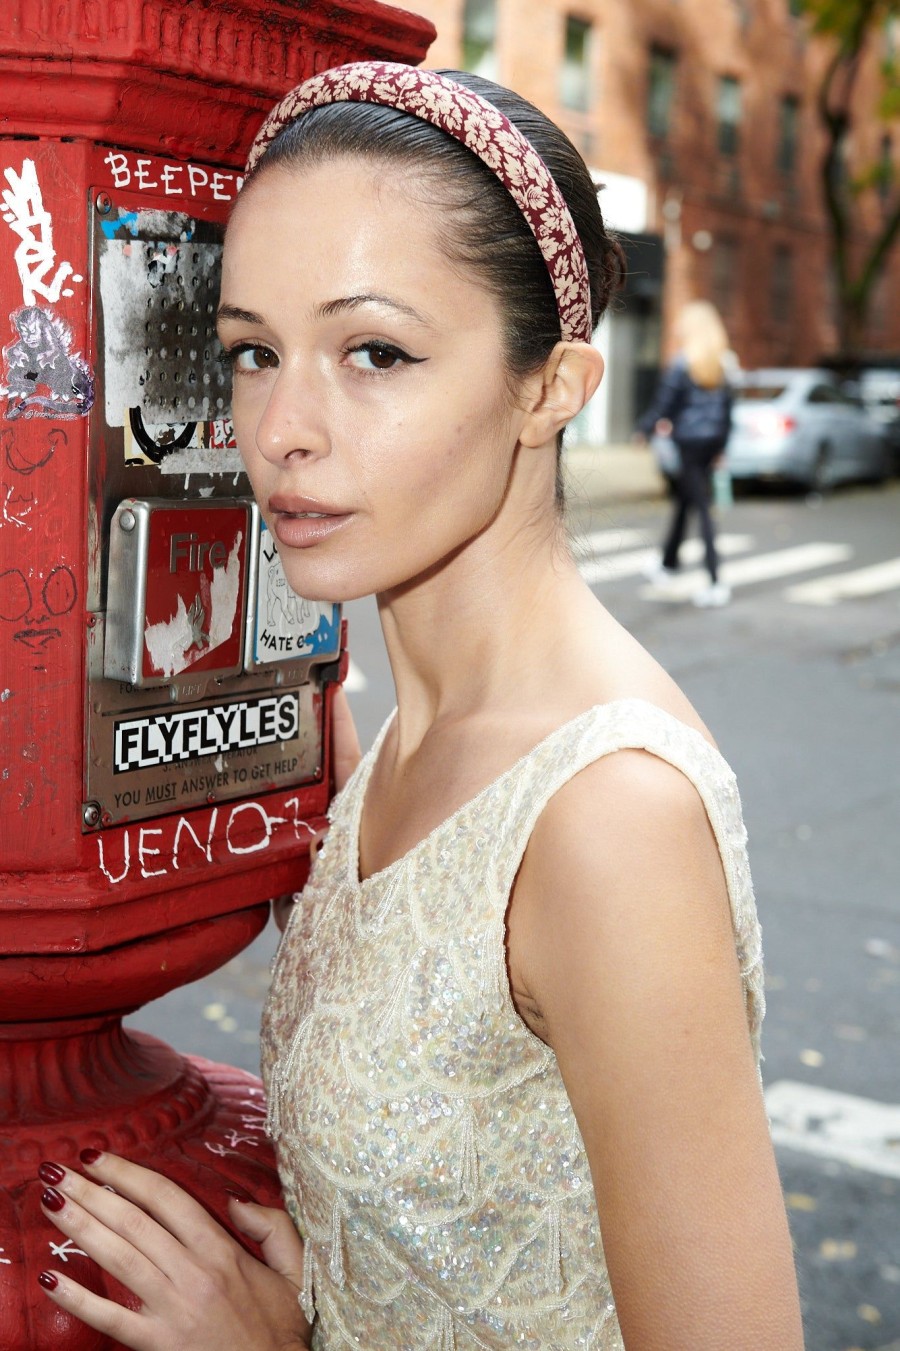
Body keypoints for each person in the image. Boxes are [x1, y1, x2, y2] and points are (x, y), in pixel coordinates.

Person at [35, 63, 803, 1351]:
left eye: (374, 352)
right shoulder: (389, 746)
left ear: (551, 387)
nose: (280, 428)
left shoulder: (606, 816)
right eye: (253, 352)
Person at [637, 301, 734, 607]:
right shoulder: (723, 364)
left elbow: (665, 404)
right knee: (685, 501)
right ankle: (668, 564)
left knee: (702, 509)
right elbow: (729, 411)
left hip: (689, 443)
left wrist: (644, 429)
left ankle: (716, 581)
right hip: (711, 442)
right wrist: (722, 448)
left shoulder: (682, 363)